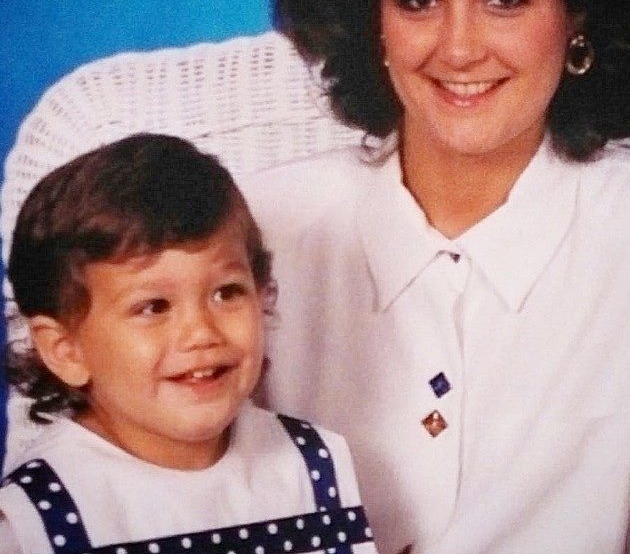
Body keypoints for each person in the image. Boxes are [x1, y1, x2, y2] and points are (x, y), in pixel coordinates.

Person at [236, 0, 630, 553]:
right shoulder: (261, 228)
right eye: (418, 1)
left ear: (577, 17)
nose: (458, 50)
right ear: (373, 22)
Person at [0, 134, 377, 554]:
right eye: (154, 307)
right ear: (66, 351)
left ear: (262, 297)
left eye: (226, 293)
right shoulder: (35, 518)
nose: (201, 332)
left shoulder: (312, 465)